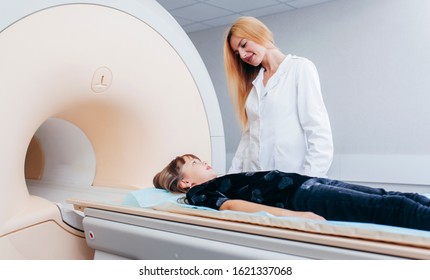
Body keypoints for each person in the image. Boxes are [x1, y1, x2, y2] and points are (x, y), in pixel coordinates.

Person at [153, 154, 430, 231]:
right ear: (184, 183)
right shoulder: (198, 194)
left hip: (309, 182)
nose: (203, 162)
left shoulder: (217, 179)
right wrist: (295, 215)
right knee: (392, 207)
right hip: (301, 198)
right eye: (194, 163)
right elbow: (232, 206)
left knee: (395, 197)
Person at [224, 16, 333, 177]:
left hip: (290, 182)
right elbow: (247, 140)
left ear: (260, 34)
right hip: (255, 182)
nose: (242, 54)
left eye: (244, 44)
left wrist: (306, 182)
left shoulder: (299, 68)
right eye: (237, 52)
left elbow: (318, 132)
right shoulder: (254, 84)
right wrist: (229, 180)